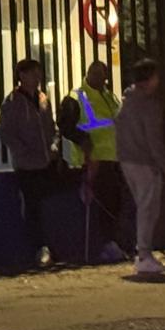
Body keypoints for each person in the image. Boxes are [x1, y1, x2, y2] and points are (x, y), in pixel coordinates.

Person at [57, 60, 126, 262]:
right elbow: (65, 125)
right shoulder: (75, 97)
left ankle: (112, 243)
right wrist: (82, 140)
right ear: (88, 73)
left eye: (103, 75)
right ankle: (105, 245)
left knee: (114, 203)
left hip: (112, 159)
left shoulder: (109, 96)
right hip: (91, 161)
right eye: (96, 74)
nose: (100, 78)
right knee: (101, 205)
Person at [115, 60, 165, 276]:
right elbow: (154, 140)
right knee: (148, 209)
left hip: (127, 159)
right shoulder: (148, 105)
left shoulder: (127, 101)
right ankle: (144, 254)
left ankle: (143, 253)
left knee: (143, 207)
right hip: (144, 161)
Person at [0, 58, 58, 267]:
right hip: (27, 164)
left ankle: (48, 246)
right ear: (22, 76)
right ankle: (39, 248)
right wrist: (23, 152)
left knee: (46, 203)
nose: (37, 77)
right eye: (33, 73)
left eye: (38, 73)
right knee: (33, 206)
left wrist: (53, 145)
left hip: (45, 161)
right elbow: (7, 132)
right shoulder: (13, 101)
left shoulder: (42, 98)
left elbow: (51, 127)